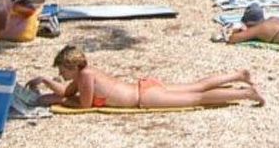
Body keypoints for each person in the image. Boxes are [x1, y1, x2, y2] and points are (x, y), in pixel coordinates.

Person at [28, 43, 260, 110]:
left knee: (198, 98)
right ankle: (238, 75)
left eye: (62, 71)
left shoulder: (86, 76)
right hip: (144, 89)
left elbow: (84, 104)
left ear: (72, 67)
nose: (60, 75)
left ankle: (245, 93)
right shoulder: (84, 75)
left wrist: (56, 100)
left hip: (144, 97)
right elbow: (68, 93)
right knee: (196, 87)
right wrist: (45, 82)